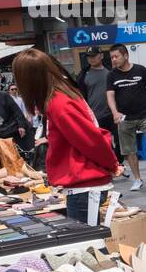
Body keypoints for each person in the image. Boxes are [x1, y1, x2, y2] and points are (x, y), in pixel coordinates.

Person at [12, 49, 118, 226]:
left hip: (85, 185)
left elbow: (91, 140)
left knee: (89, 246)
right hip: (84, 184)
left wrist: (112, 164)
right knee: (89, 245)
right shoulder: (60, 97)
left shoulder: (58, 103)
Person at [106, 43, 146, 190]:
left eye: (116, 56)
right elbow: (110, 95)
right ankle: (137, 179)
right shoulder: (111, 75)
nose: (113, 60)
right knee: (129, 150)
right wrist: (115, 112)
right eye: (111, 57)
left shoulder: (140, 69)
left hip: (145, 114)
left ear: (125, 55)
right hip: (125, 118)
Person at [77, 47, 123, 170]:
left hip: (114, 113)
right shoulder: (84, 75)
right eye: (89, 56)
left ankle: (119, 162)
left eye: (94, 55)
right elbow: (80, 96)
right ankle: (112, 165)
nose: (91, 59)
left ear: (101, 56)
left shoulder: (111, 71)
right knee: (104, 143)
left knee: (120, 140)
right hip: (96, 115)